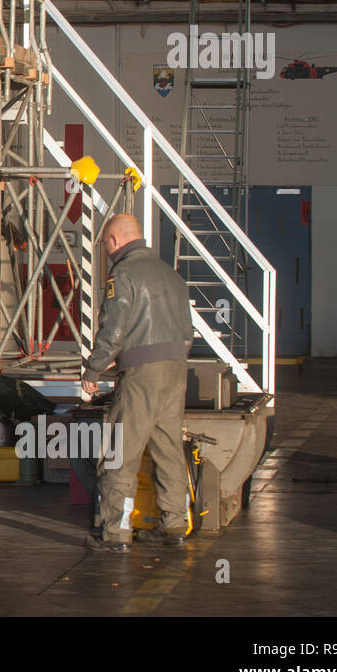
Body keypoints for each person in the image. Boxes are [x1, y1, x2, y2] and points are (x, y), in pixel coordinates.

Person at [80, 212, 193, 551]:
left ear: (114, 242)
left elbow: (113, 328)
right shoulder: (172, 276)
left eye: (105, 246)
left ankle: (115, 533)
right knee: (169, 449)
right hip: (175, 370)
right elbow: (186, 332)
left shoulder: (124, 274)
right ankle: (174, 527)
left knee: (120, 452)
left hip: (142, 375)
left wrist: (94, 368)